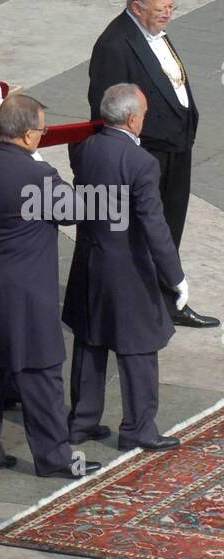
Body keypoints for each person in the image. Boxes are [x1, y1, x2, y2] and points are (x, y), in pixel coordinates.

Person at [0, 94, 103, 480]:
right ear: (25, 136)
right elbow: (75, 210)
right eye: (41, 130)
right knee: (40, 374)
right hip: (24, 293)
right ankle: (54, 458)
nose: (43, 136)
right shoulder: (35, 176)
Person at [87, 0, 219, 327]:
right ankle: (139, 307)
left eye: (172, 7)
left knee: (169, 225)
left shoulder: (155, 30)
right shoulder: (115, 46)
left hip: (176, 149)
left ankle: (167, 299)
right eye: (162, 9)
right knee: (144, 230)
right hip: (148, 156)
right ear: (136, 7)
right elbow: (107, 110)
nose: (169, 15)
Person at [65, 84, 188, 451]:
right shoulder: (141, 163)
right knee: (138, 347)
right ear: (133, 119)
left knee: (90, 339)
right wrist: (175, 276)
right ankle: (138, 428)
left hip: (89, 258)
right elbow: (153, 224)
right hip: (127, 267)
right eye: (144, 115)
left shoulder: (84, 149)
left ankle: (82, 421)